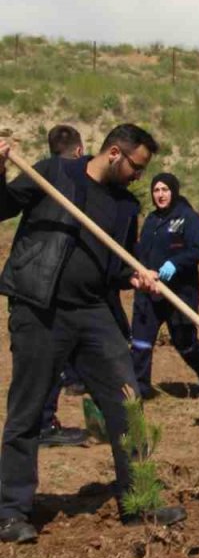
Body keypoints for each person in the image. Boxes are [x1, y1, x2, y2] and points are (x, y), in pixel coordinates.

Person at [0, 125, 187, 545]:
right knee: (27, 411)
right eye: (138, 166)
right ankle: (11, 511)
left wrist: (135, 276)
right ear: (115, 153)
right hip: (40, 307)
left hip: (94, 313)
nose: (141, 176)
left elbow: (114, 265)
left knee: (128, 403)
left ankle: (138, 502)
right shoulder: (56, 173)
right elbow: (1, 206)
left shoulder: (124, 206)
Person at [130, 172, 199, 399]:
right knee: (141, 341)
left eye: (165, 190)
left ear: (174, 190)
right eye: (156, 190)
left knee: (184, 341)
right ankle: (140, 389)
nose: (160, 195)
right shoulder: (151, 220)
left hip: (179, 292)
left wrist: (175, 263)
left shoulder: (187, 218)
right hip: (150, 290)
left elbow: (198, 249)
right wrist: (140, 273)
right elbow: (142, 251)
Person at [37, 125, 91, 446]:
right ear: (80, 150)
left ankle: (44, 420)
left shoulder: (43, 175)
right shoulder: (79, 179)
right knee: (54, 356)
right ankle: (44, 424)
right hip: (62, 283)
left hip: (44, 282)